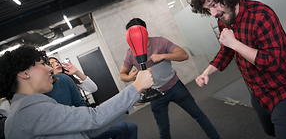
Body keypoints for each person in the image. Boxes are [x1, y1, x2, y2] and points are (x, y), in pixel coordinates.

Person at [189, 0, 286, 139]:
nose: (213, 13)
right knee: (271, 131)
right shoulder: (224, 18)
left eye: (214, 4)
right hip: (258, 92)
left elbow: (272, 62)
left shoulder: (261, 15)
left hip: (283, 89)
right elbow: (226, 50)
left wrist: (235, 43)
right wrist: (206, 72)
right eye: (208, 9)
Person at [0, 45, 153, 138]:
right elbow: (94, 118)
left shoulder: (31, 106)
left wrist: (128, 102)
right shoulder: (27, 111)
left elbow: (87, 130)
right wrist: (136, 86)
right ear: (23, 73)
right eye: (41, 64)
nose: (49, 69)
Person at [120, 18, 220, 139]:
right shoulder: (130, 53)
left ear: (145, 31)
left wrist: (163, 56)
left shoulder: (160, 41)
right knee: (163, 130)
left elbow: (184, 55)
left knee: (198, 115)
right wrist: (131, 77)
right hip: (155, 95)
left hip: (175, 87)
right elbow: (122, 75)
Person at [46, 56, 138, 139]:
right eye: (51, 64)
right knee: (123, 127)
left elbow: (93, 88)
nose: (56, 64)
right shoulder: (50, 87)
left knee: (132, 127)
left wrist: (77, 72)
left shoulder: (68, 79)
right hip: (80, 125)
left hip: (86, 119)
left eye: (57, 61)